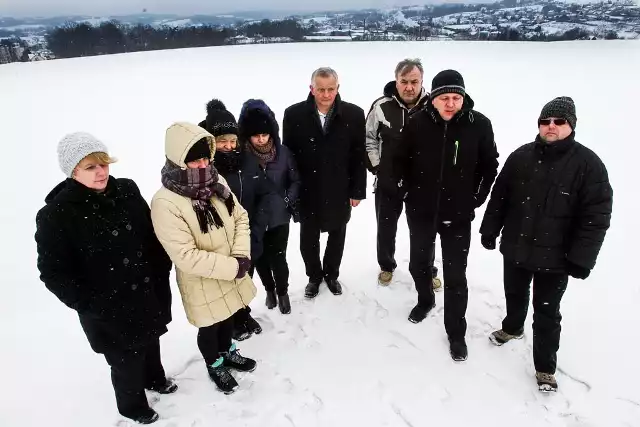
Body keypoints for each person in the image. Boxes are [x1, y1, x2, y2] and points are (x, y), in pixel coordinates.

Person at [35, 132, 176, 424]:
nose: (101, 172)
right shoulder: (56, 215)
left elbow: (151, 236)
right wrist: (91, 304)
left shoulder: (126, 189)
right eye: (90, 167)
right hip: (107, 305)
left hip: (146, 288)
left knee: (151, 339)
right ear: (72, 171)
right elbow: (53, 272)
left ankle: (155, 378)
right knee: (124, 359)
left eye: (103, 164)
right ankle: (132, 406)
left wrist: (161, 270)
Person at [480, 96, 613, 392]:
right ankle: (512, 328)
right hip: (516, 247)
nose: (551, 126)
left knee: (547, 312)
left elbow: (596, 217)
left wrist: (582, 258)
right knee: (514, 294)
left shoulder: (588, 165)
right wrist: (490, 229)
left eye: (558, 121)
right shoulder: (521, 156)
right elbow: (500, 197)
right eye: (545, 121)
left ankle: (544, 367)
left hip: (557, 258)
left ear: (571, 125)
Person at [398, 69, 499, 362]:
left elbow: (489, 165)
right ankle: (426, 300)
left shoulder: (479, 125)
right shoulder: (417, 123)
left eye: (456, 98)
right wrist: (405, 191)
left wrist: (476, 198)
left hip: (458, 213)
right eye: (444, 98)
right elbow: (399, 161)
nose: (450, 104)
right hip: (421, 211)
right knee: (419, 263)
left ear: (464, 98)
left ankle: (456, 332)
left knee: (456, 275)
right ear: (433, 98)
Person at [150, 122, 258, 395]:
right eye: (193, 160)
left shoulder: (216, 181)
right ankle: (215, 363)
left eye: (205, 157)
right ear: (178, 159)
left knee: (229, 318)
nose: (202, 164)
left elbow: (240, 217)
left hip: (232, 269)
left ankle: (228, 350)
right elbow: (185, 255)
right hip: (204, 281)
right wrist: (233, 266)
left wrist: (241, 255)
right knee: (211, 327)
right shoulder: (166, 202)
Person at [282, 67, 367, 298]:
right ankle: (314, 277)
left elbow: (359, 155)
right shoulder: (294, 114)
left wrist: (357, 189)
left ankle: (331, 274)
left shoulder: (354, 114)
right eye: (321, 89)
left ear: (338, 88)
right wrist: (290, 189)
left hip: (340, 186)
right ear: (311, 89)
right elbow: (287, 156)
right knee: (308, 238)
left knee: (337, 234)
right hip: (307, 188)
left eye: (331, 89)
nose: (326, 95)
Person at [365, 58, 441, 290]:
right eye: (404, 81)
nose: (409, 87)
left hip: (423, 185)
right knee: (386, 229)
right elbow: (368, 140)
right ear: (396, 81)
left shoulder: (434, 106)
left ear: (422, 81)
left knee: (424, 232)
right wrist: (379, 169)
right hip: (388, 183)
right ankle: (386, 265)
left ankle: (427, 269)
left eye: (414, 82)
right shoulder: (381, 106)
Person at [199, 99, 263, 341]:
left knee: (246, 274)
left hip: (246, 231)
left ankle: (243, 313)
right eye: (222, 141)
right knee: (227, 280)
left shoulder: (246, 158)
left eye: (232, 140)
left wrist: (258, 222)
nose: (228, 146)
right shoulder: (205, 165)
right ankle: (231, 322)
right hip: (219, 236)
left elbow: (263, 189)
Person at [238, 98, 301, 314]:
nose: (261, 139)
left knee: (279, 257)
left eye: (265, 134)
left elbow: (296, 180)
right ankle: (270, 290)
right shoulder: (243, 157)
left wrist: (287, 200)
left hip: (279, 216)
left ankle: (283, 292)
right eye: (256, 135)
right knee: (261, 258)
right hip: (255, 218)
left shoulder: (283, 153)